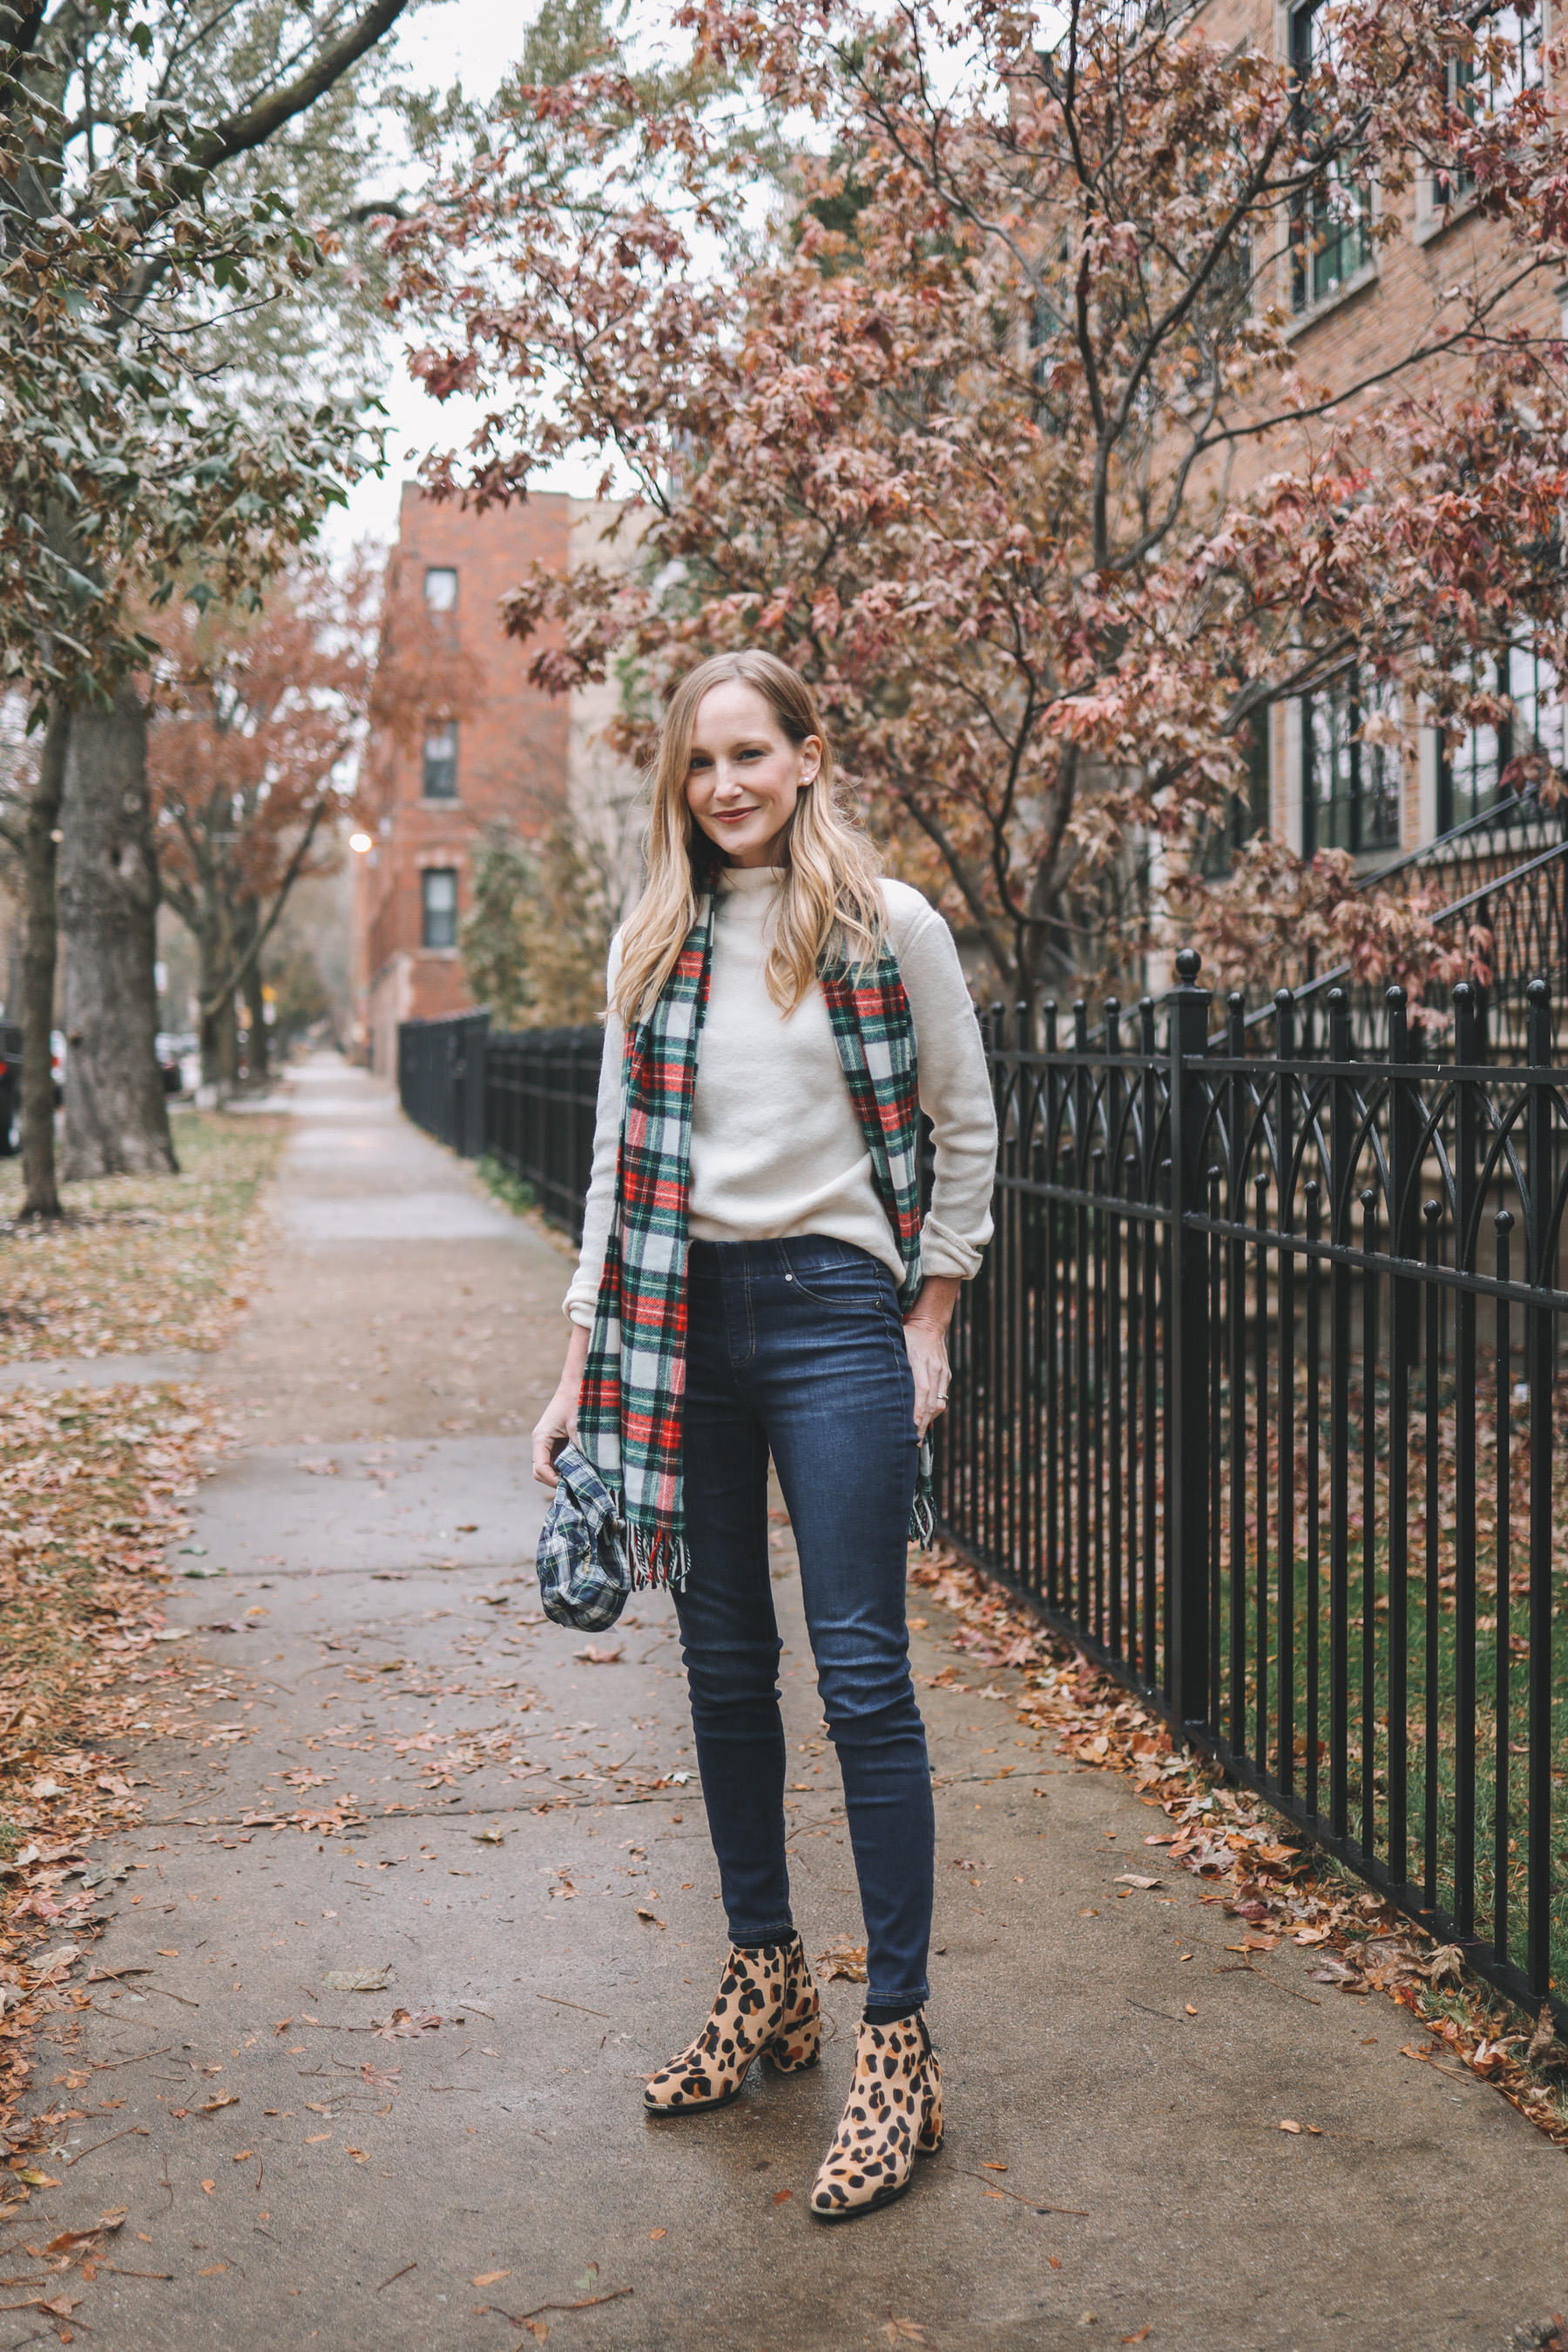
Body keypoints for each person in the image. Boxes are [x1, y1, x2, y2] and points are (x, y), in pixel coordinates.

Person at [531, 649, 997, 2220]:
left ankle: (899, 2041)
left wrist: (929, 1321)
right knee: (723, 1666)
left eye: (750, 754)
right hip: (677, 1326)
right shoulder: (655, 940)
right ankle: (765, 1980)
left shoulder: (888, 926)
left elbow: (964, 1123)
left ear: (808, 756)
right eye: (699, 764)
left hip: (833, 1316)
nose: (724, 784)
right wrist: (579, 1365)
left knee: (862, 1669)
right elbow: (611, 1164)